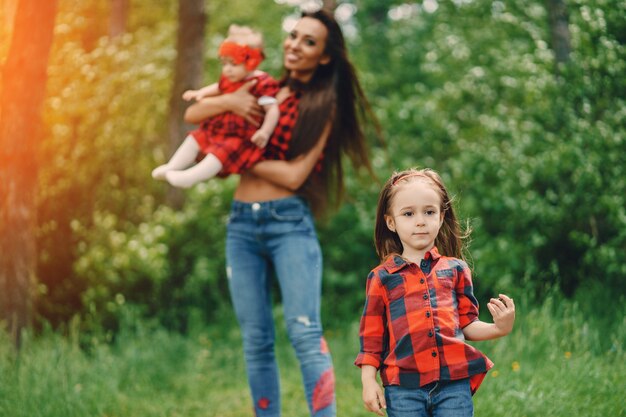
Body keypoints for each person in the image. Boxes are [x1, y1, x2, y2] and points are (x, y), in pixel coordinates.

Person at [184, 9, 378, 417]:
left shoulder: (324, 104)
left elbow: (293, 176)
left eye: (309, 41)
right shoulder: (261, 89)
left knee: (305, 333)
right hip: (240, 224)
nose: (294, 45)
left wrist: (232, 155)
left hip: (288, 223)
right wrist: (227, 103)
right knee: (256, 340)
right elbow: (194, 118)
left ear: (324, 57)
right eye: (294, 35)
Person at [355, 168, 516, 417]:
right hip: (403, 389)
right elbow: (372, 340)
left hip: (453, 384)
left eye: (429, 212)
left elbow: (467, 325)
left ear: (441, 217)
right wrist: (368, 382)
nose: (420, 220)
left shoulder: (456, 270)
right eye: (408, 213)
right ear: (391, 222)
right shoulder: (382, 278)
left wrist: (499, 328)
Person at [151, 24, 280, 189]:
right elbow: (218, 87)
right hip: (217, 128)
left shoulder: (261, 83)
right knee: (195, 138)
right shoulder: (229, 79)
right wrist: (201, 93)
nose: (227, 70)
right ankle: (172, 166)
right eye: (224, 64)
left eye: (233, 64)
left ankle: (189, 177)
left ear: (252, 62)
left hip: (238, 136)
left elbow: (272, 109)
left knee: (219, 154)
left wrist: (265, 132)